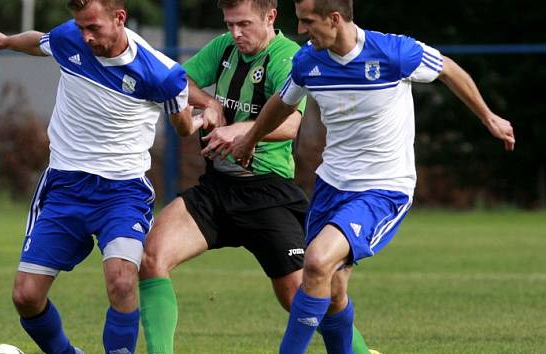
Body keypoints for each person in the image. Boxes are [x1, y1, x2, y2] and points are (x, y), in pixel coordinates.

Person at [229, 0, 516, 353]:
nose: (301, 30)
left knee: (317, 262)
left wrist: (488, 117)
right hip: (331, 185)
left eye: (307, 22)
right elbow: (283, 101)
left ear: (334, 19)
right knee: (332, 292)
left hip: (383, 189)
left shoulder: (393, 53)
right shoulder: (308, 61)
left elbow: (448, 69)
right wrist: (251, 138)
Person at [138, 1, 372, 353]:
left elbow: (291, 125)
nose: (235, 33)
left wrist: (240, 132)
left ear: (270, 16)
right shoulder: (224, 47)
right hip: (216, 188)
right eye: (229, 24)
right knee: (151, 256)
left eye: (244, 24)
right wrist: (209, 103)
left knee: (301, 297)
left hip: (267, 193)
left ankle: (359, 351)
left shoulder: (289, 56)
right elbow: (178, 80)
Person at [0, 1, 201, 353]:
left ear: (119, 18)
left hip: (122, 193)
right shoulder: (71, 38)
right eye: (80, 26)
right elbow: (39, 42)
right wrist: (5, 41)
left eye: (93, 27)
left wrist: (201, 120)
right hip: (64, 187)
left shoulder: (160, 73)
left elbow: (184, 125)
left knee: (123, 282)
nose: (85, 36)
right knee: (26, 297)